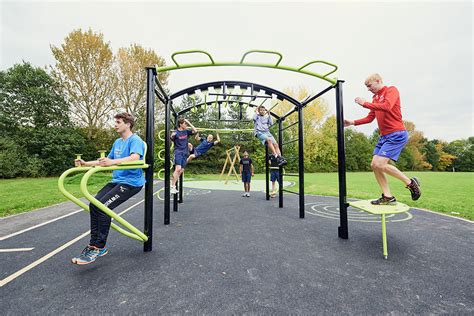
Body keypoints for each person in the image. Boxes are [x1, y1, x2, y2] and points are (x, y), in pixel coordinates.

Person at [72, 112, 145, 265]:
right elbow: (106, 161)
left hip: (131, 183)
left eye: (118, 122)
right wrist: (86, 163)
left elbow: (135, 158)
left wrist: (113, 162)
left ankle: (100, 247)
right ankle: (93, 245)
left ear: (128, 124)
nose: (115, 125)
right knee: (94, 204)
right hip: (117, 181)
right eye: (115, 122)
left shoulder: (135, 140)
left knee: (103, 207)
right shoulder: (117, 142)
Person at [344, 73, 421, 205]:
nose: (368, 89)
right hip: (384, 136)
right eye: (366, 87)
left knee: (380, 164)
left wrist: (365, 103)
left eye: (370, 86)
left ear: (378, 81)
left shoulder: (392, 90)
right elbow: (369, 118)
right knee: (375, 165)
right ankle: (388, 196)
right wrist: (352, 122)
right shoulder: (375, 98)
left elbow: (387, 106)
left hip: (397, 134)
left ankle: (410, 183)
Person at [170, 117, 197, 194]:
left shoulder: (186, 132)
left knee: (181, 170)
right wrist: (172, 136)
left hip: (185, 153)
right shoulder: (175, 133)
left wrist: (188, 122)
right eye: (185, 123)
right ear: (180, 124)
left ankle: (173, 182)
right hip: (178, 152)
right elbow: (171, 138)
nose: (186, 125)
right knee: (178, 169)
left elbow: (195, 130)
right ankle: (172, 186)